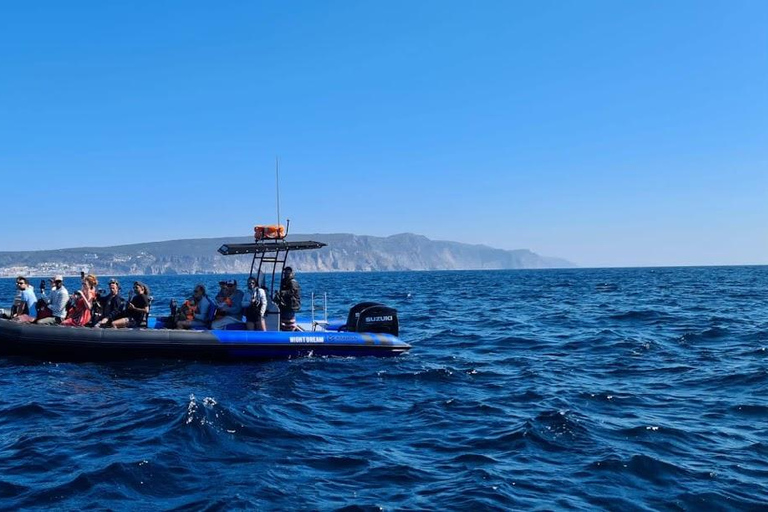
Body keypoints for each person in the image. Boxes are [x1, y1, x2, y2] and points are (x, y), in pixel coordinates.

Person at [274, 266, 301, 331]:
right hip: (284, 303)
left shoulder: (293, 282)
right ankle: (285, 329)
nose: (286, 274)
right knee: (284, 319)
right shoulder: (284, 281)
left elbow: (293, 292)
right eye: (285, 272)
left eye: (288, 273)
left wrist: (282, 292)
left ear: (291, 273)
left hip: (291, 304)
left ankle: (291, 331)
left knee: (289, 319)